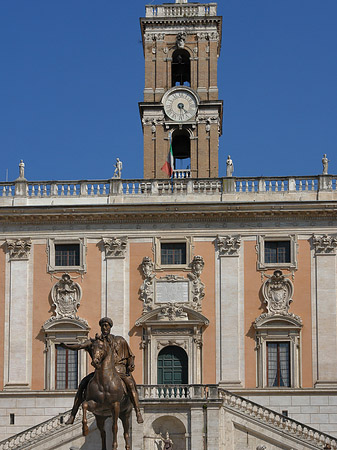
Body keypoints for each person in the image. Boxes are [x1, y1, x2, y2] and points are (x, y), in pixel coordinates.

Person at [60, 317, 143, 424]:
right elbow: (80, 346)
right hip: (101, 372)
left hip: (119, 370)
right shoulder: (95, 342)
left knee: (131, 384)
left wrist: (131, 364)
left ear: (110, 327)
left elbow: (130, 355)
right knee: (82, 384)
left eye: (106, 325)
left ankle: (138, 411)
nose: (104, 327)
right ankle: (73, 415)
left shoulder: (119, 340)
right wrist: (67, 346)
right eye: (102, 325)